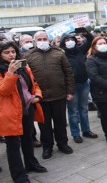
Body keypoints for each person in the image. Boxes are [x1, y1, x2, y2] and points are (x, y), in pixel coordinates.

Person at [0, 41, 47, 183]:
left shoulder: (24, 66)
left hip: (27, 108)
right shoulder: (5, 70)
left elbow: (34, 84)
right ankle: (19, 176)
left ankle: (31, 163)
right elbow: (4, 91)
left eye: (13, 51)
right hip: (9, 112)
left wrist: (38, 95)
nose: (11, 54)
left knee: (28, 139)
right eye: (6, 52)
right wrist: (10, 73)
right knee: (13, 145)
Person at [24, 31, 75, 159]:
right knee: (44, 125)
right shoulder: (28, 56)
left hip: (59, 95)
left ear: (49, 39)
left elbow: (68, 73)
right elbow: (25, 78)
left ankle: (63, 144)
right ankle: (47, 147)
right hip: (40, 98)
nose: (42, 41)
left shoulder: (59, 53)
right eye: (39, 39)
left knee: (60, 122)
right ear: (35, 41)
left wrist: (70, 91)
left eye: (44, 38)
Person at [59, 28, 98, 144]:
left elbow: (91, 39)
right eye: (67, 40)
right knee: (73, 111)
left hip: (84, 83)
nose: (70, 41)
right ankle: (75, 134)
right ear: (63, 42)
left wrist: (85, 32)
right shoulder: (61, 55)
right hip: (71, 86)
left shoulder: (80, 50)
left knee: (84, 109)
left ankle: (86, 130)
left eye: (72, 39)